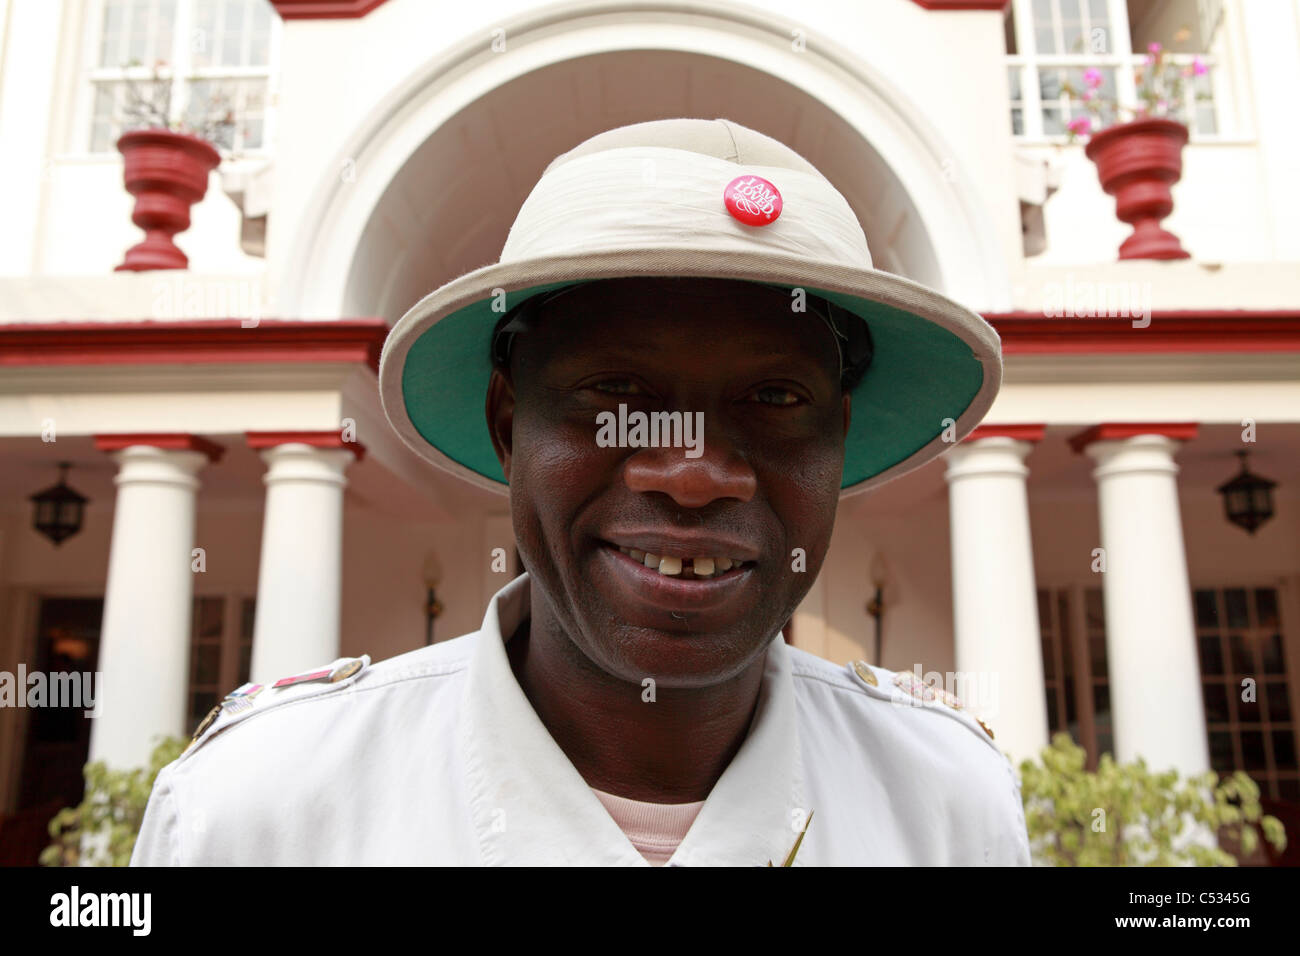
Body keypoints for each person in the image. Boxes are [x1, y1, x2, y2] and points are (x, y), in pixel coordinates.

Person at [131, 117, 1028, 866]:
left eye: (775, 398)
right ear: (509, 421)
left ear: (837, 437)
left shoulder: (950, 810)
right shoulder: (255, 815)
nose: (691, 474)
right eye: (615, 393)